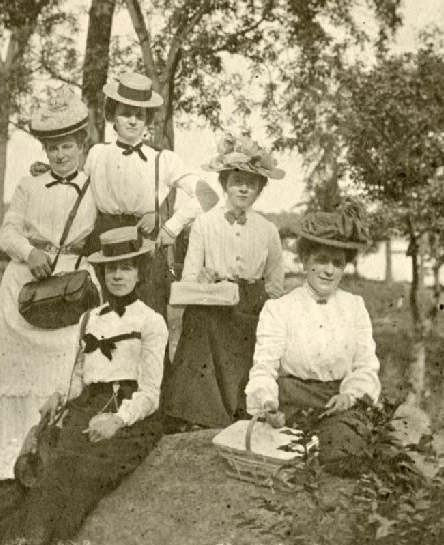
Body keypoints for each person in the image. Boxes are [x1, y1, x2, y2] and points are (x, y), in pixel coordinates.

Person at [0, 89, 97, 482]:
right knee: (14, 367)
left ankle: (48, 447)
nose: (60, 155)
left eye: (67, 146)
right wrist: (30, 252)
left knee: (64, 364)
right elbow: (7, 233)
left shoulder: (96, 185)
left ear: (82, 145)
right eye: (53, 148)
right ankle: (4, 449)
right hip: (29, 283)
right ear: (44, 149)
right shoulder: (30, 185)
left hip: (73, 283)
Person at [0, 226, 168, 545]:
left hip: (130, 415)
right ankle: (29, 539)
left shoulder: (151, 321)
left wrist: (117, 420)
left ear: (140, 273)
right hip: (87, 405)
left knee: (84, 473)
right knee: (57, 467)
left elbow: (151, 394)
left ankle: (46, 538)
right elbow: (79, 375)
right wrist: (59, 394)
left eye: (126, 268)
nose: (117, 276)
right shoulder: (90, 318)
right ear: (102, 273)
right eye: (111, 268)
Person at [245, 201, 381, 472]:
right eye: (321, 260)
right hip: (290, 401)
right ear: (305, 260)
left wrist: (350, 396)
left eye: (337, 263)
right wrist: (268, 402)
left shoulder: (354, 307)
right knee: (279, 451)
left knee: (341, 452)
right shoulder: (279, 309)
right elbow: (264, 367)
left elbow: (366, 365)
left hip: (337, 402)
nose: (329, 270)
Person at [163, 134, 286, 428]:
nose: (243, 189)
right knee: (200, 322)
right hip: (213, 301)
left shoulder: (268, 230)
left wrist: (263, 303)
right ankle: (200, 414)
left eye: (251, 184)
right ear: (224, 184)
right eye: (236, 181)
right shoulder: (204, 223)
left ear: (259, 189)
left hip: (251, 305)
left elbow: (275, 285)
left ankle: (245, 408)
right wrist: (203, 278)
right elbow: (189, 277)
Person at [84, 71, 215, 318]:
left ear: (148, 120)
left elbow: (208, 196)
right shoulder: (97, 154)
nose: (133, 121)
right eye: (126, 113)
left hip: (144, 247)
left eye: (140, 115)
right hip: (103, 246)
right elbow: (80, 196)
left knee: (148, 321)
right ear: (112, 115)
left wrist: (170, 227)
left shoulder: (162, 159)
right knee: (102, 321)